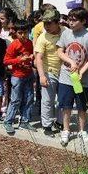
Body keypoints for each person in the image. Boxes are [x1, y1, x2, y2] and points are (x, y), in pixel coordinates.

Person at [56, 7, 88, 146]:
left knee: (82, 106)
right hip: (66, 77)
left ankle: (82, 130)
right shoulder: (66, 34)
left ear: (84, 21)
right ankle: (66, 130)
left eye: (74, 20)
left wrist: (82, 71)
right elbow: (60, 52)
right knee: (66, 106)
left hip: (81, 79)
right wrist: (71, 61)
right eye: (69, 19)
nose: (71, 22)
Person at [35, 8, 67, 137]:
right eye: (44, 23)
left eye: (49, 23)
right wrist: (42, 76)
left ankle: (60, 122)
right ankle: (47, 125)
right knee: (48, 100)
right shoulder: (43, 37)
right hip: (49, 72)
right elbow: (38, 57)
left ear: (57, 22)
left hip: (65, 72)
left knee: (63, 100)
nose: (46, 26)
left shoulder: (67, 33)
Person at [2, 20, 35, 134]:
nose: (23, 35)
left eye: (25, 32)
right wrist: (19, 60)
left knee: (29, 98)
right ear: (15, 33)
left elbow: (32, 55)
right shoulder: (13, 45)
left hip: (28, 74)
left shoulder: (30, 43)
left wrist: (31, 57)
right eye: (20, 33)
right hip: (17, 76)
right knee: (15, 100)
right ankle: (8, 121)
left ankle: (25, 121)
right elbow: (6, 61)